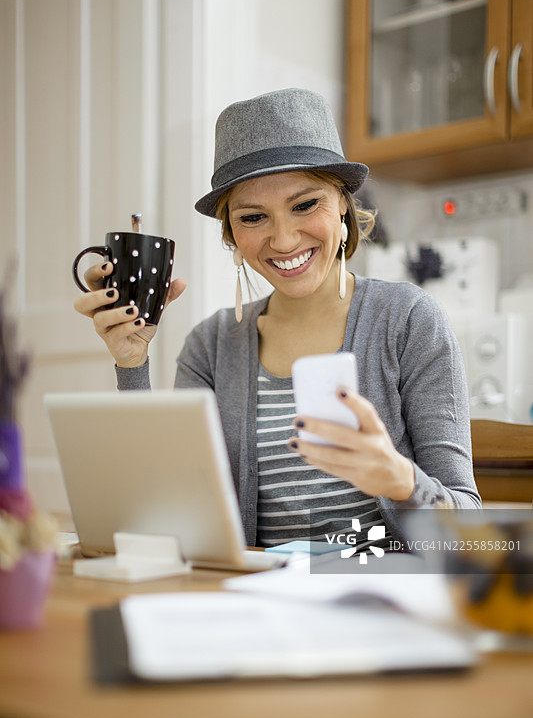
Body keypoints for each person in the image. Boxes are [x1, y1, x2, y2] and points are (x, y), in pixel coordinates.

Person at [74, 87, 481, 552]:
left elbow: (469, 534)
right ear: (231, 233)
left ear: (344, 203)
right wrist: (132, 364)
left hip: (382, 594)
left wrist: (400, 480)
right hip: (258, 599)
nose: (284, 240)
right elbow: (161, 516)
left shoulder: (408, 320)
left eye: (305, 205)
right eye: (253, 217)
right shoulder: (210, 347)